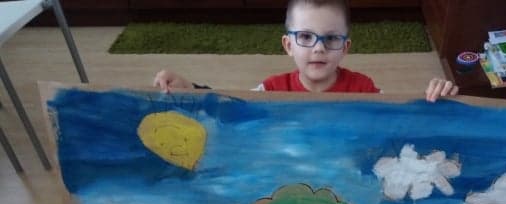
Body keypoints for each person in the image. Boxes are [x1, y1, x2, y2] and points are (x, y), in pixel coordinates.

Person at [153, 0, 458, 102]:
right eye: (306, 37)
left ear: (345, 48)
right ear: (288, 45)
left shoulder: (364, 89)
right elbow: (231, 107)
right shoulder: (271, 90)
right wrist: (190, 89)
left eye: (331, 38)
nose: (319, 48)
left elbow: (399, 120)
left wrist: (436, 99)